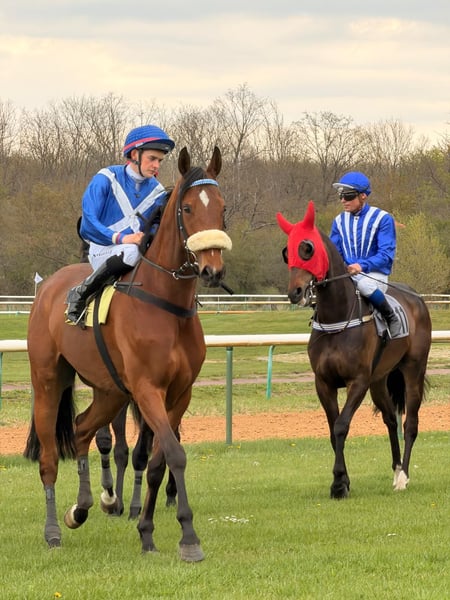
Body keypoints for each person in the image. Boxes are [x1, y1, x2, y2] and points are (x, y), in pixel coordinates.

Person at [66, 124, 175, 326]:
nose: (156, 165)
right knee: (131, 250)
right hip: (103, 249)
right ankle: (81, 293)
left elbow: (155, 227)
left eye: (160, 161)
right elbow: (88, 224)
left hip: (138, 252)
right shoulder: (106, 178)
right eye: (152, 159)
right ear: (134, 154)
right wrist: (123, 238)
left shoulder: (158, 191)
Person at [329, 171, 403, 338]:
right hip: (348, 274)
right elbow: (335, 252)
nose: (343, 200)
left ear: (363, 196)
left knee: (364, 285)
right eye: (341, 195)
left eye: (348, 196)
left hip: (374, 275)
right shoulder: (338, 221)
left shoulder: (383, 219)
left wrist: (361, 265)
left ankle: (391, 317)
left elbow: (386, 255)